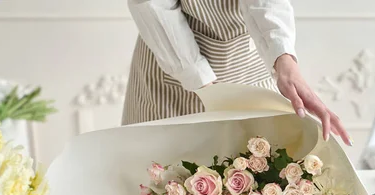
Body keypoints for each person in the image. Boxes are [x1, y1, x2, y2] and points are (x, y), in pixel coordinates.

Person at [123, 0, 351, 146]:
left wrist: (285, 62)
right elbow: (153, 5)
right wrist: (201, 82)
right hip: (170, 58)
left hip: (249, 62)